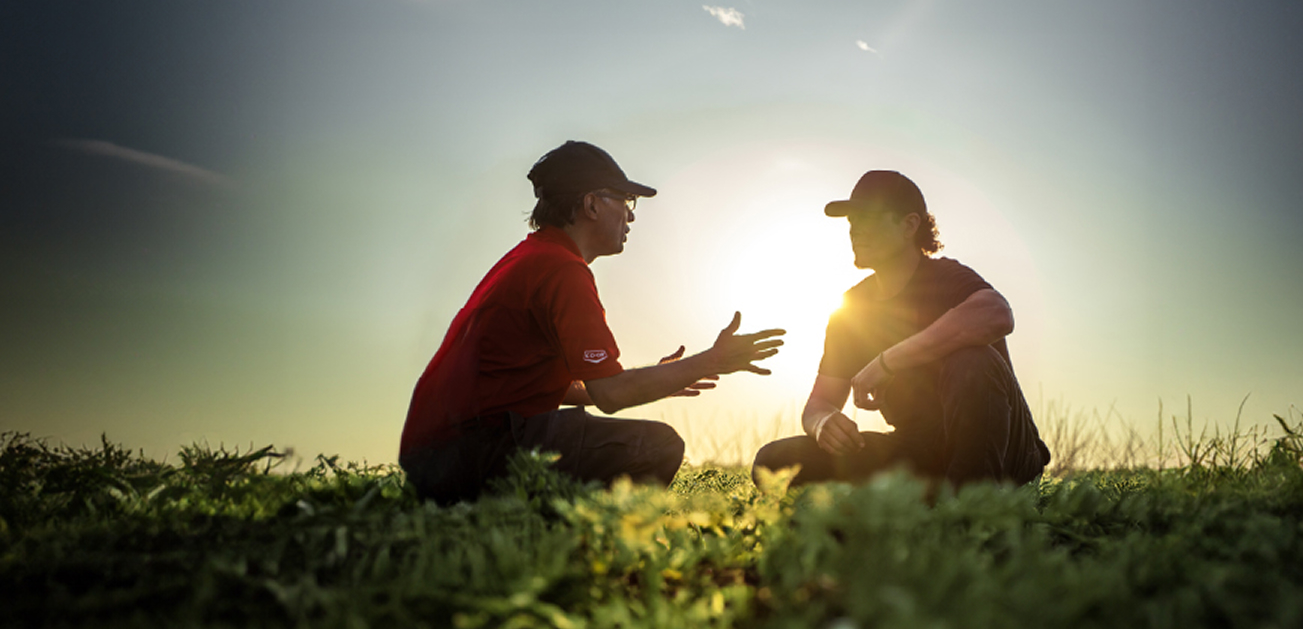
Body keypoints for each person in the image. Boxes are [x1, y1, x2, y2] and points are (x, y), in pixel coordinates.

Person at [400, 140, 785, 504]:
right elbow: (611, 395)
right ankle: (578, 542)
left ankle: (543, 526)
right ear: (591, 205)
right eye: (625, 199)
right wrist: (712, 360)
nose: (631, 214)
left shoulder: (531, 257)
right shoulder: (562, 270)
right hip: (471, 454)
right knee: (658, 446)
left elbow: (532, 383)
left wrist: (663, 379)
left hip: (437, 457)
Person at [751, 170, 1049, 489]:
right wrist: (824, 423)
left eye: (868, 219)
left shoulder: (948, 278)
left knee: (971, 361)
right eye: (852, 222)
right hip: (918, 449)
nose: (856, 232)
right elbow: (819, 403)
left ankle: (970, 512)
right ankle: (923, 497)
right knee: (773, 460)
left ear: (909, 225)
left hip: (1006, 451)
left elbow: (996, 314)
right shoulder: (852, 308)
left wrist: (887, 362)